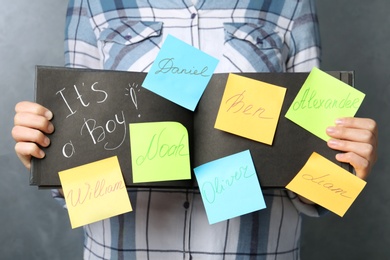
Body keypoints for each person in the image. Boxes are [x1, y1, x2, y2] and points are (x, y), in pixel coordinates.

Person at [12, 0, 377, 259]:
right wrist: (49, 158)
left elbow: (305, 156)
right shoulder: (94, 4)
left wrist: (342, 171)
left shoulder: (289, 5)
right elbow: (85, 151)